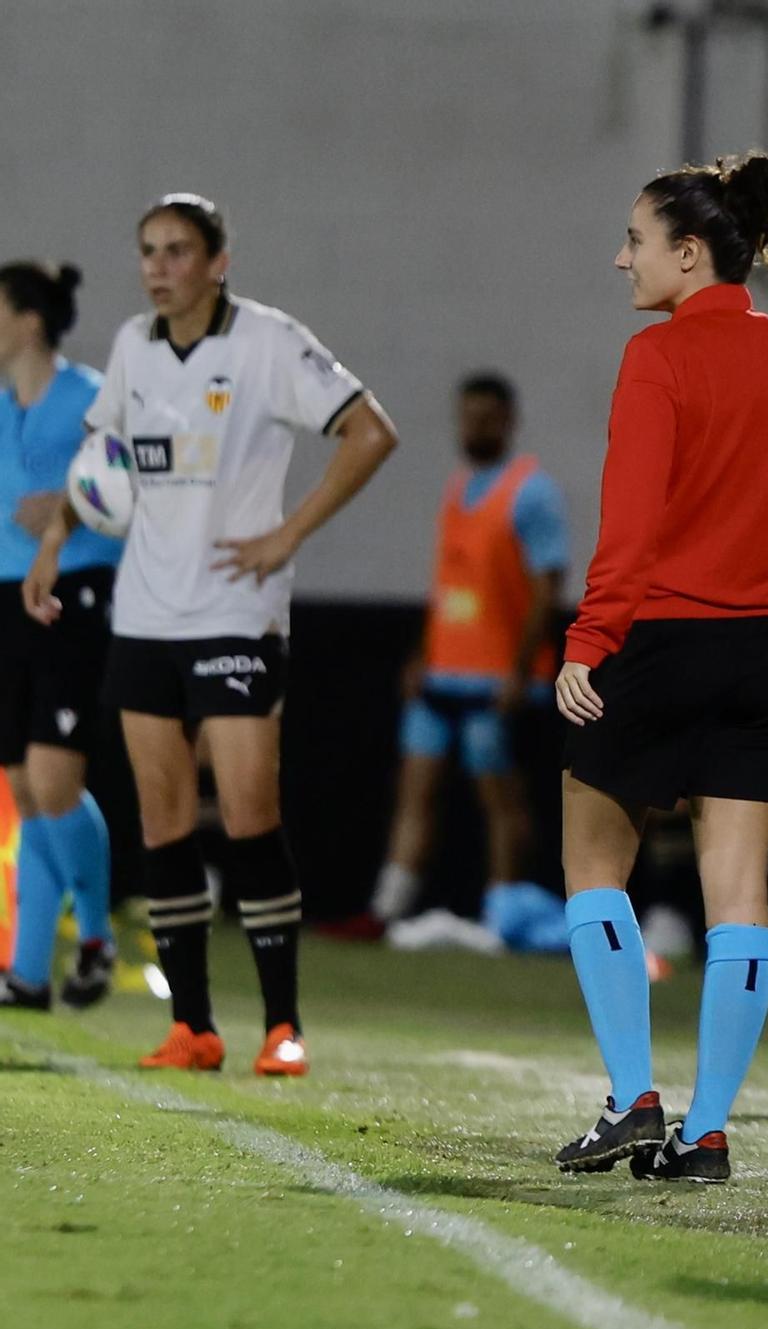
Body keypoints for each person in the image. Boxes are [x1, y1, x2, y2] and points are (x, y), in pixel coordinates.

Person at [23, 193, 399, 1073]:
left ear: (219, 260)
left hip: (235, 613)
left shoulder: (268, 342)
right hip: (145, 616)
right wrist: (52, 542)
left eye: (178, 250)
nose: (159, 266)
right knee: (161, 824)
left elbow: (369, 432)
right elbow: (97, 462)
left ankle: (282, 1024)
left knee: (248, 815)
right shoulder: (130, 347)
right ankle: (191, 1025)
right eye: (149, 250)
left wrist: (288, 533)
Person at [552, 152, 768, 1187]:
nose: (620, 258)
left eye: (635, 241)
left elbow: (627, 524)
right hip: (762, 647)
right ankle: (707, 1133)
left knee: (595, 868)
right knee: (739, 896)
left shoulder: (658, 357)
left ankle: (633, 1094)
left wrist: (589, 640)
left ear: (688, 252)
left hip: (657, 637)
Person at [364, 371, 567, 945]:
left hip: (495, 681)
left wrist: (521, 669)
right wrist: (422, 654)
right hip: (443, 673)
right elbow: (450, 583)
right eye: (467, 415)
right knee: (416, 788)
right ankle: (388, 910)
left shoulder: (532, 491)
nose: (474, 426)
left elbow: (547, 588)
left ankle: (504, 916)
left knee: (499, 798)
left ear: (507, 421)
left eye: (486, 416)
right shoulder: (458, 487)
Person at [0, 261, 120, 1010]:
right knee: (20, 784)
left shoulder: (91, 396)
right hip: (6, 596)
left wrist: (76, 507)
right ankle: (29, 971)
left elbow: (129, 489)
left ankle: (98, 933)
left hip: (75, 590)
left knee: (54, 780)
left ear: (31, 320)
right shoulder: (2, 405)